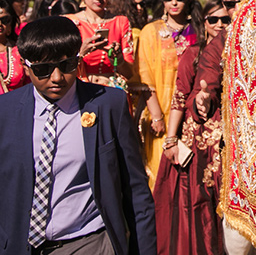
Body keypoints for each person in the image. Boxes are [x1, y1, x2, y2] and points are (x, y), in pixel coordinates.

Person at [1, 16, 156, 255]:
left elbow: (136, 192)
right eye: (42, 69)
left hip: (88, 243)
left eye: (66, 66)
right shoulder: (6, 111)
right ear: (25, 65)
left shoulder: (108, 105)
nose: (56, 78)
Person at [154, 1, 229, 255]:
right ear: (204, 23)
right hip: (197, 141)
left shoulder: (239, 52)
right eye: (213, 19)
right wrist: (172, 139)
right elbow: (179, 96)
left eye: (224, 20)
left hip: (227, 142)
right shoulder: (194, 53)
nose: (219, 24)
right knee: (195, 205)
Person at [132, 0, 195, 189]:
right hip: (160, 114)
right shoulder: (151, 31)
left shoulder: (196, 31)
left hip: (191, 115)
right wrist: (156, 115)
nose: (174, 2)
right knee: (160, 175)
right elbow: (144, 75)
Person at [63, 0, 137, 94]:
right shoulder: (70, 22)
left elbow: (129, 74)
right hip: (79, 91)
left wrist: (118, 57)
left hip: (111, 91)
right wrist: (81, 53)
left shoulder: (120, 22)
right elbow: (61, 68)